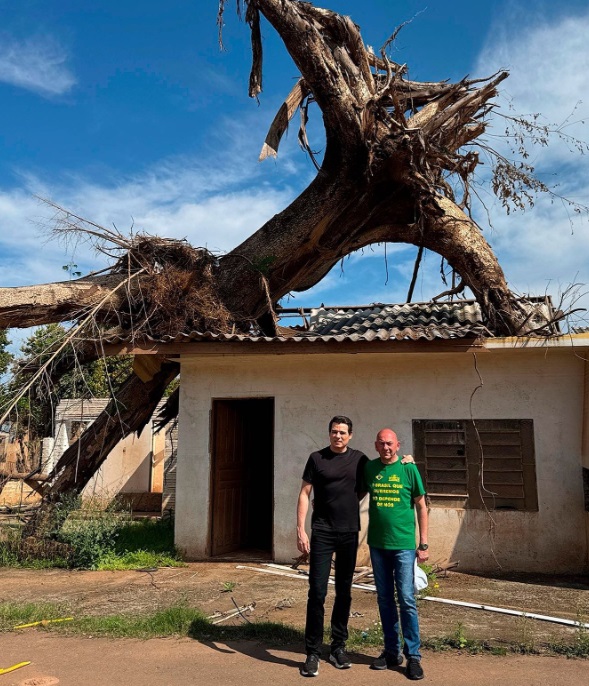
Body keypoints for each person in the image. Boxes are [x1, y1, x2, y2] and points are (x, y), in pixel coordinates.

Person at [297, 416, 367, 677]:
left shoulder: (360, 459)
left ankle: (338, 647)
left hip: (349, 532)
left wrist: (407, 462)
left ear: (350, 435)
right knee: (316, 592)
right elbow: (305, 493)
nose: (338, 436)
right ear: (329, 434)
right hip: (323, 532)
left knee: (344, 592)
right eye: (334, 432)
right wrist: (300, 528)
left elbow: (377, 476)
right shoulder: (317, 458)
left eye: (343, 432)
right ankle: (312, 652)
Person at [363, 428, 428, 681]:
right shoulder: (369, 468)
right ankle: (392, 652)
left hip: (403, 546)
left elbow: (421, 506)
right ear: (376, 446)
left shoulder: (409, 469)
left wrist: (423, 544)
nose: (386, 447)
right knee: (384, 599)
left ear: (398, 445)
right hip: (377, 545)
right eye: (382, 444)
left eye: (390, 443)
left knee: (407, 600)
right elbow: (352, 492)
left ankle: (413, 656)